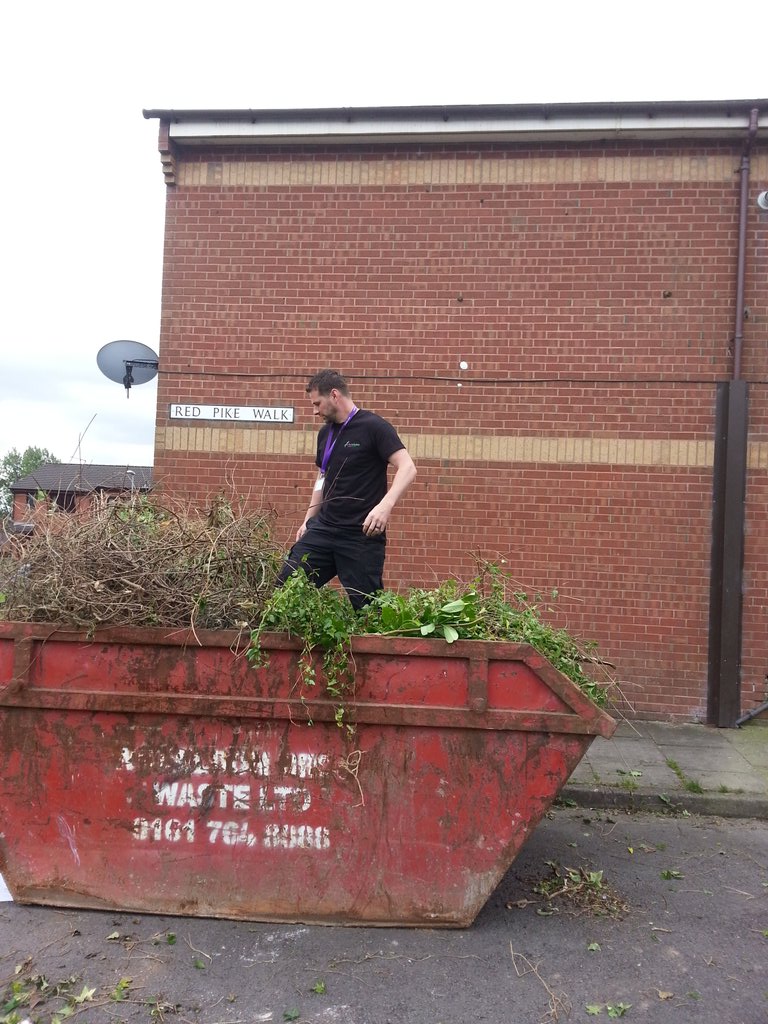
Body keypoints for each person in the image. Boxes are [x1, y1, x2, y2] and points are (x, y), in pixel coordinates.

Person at [278, 369, 417, 610]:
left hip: (360, 536)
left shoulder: (374, 427)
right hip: (324, 529)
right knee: (283, 595)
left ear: (334, 395)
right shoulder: (325, 434)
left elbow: (408, 467)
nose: (314, 411)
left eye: (317, 403)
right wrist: (307, 520)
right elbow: (322, 478)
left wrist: (385, 506)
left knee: (368, 610)